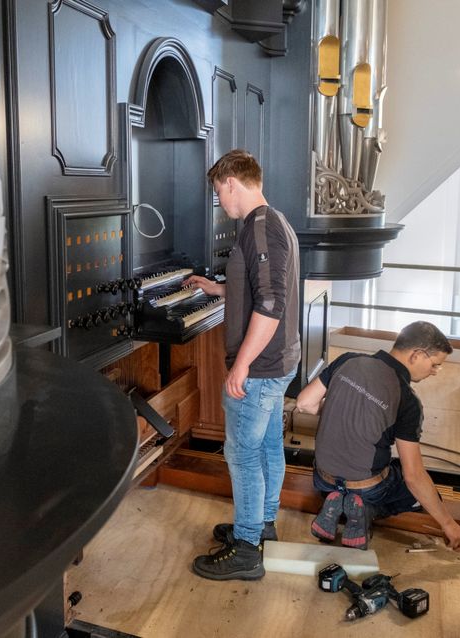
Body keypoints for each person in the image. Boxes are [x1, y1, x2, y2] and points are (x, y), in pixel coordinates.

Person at [185, 149, 301, 581]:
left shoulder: (260, 227)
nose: (221, 202)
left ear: (231, 181)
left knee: (242, 454)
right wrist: (217, 288)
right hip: (278, 362)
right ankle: (262, 521)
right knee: (268, 444)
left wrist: (241, 367)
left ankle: (247, 548)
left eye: (219, 192)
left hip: (262, 367)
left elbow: (270, 306)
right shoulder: (273, 222)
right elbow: (257, 288)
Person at [295, 320, 460, 552]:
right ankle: (364, 511)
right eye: (435, 364)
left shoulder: (347, 359)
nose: (435, 372)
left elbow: (304, 403)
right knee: (418, 493)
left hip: (323, 479)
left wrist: (343, 404)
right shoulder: (408, 400)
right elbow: (414, 477)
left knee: (349, 478)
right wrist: (449, 524)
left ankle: (336, 501)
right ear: (417, 355)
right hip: (365, 487)